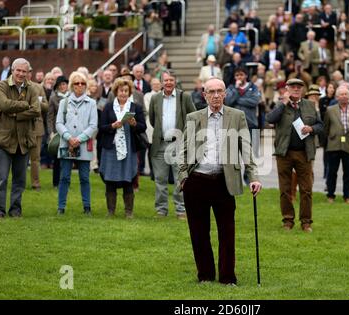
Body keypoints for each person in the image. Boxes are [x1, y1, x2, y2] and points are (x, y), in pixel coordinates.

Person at [178, 77, 262, 285]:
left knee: (227, 232)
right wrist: (183, 178)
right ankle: (205, 275)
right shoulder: (193, 117)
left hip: (224, 181)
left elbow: (247, 148)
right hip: (196, 181)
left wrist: (253, 177)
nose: (216, 95)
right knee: (198, 232)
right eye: (211, 92)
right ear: (204, 95)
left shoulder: (237, 116)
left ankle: (227, 277)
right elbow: (183, 151)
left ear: (225, 94)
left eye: (220, 91)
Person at [266, 78, 322, 231]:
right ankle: (288, 220)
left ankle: (306, 222)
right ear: (287, 88)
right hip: (284, 153)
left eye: (299, 87)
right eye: (293, 87)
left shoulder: (310, 105)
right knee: (285, 189)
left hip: (304, 153)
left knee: (306, 189)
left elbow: (321, 125)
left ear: (303, 90)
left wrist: (311, 129)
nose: (296, 89)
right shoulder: (280, 105)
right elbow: (269, 119)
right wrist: (283, 104)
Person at [0, 58, 41, 219]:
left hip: (24, 140)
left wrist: (15, 112)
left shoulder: (32, 88)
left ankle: (15, 210)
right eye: (18, 70)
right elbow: (4, 105)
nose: (21, 74)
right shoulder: (0, 86)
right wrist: (25, 106)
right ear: (12, 71)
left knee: (19, 180)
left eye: (24, 71)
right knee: (1, 179)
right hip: (3, 140)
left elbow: (37, 110)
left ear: (28, 73)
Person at [149, 71, 196, 219]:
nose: (168, 83)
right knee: (160, 179)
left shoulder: (184, 97)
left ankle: (181, 209)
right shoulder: (155, 98)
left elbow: (193, 117)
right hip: (160, 144)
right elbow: (152, 119)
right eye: (165, 80)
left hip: (178, 144)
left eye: (171, 80)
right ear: (161, 82)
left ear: (175, 81)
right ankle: (161, 210)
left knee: (180, 178)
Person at [99, 78, 146, 218]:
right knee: (110, 179)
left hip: (128, 148)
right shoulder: (108, 107)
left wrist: (134, 124)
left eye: (126, 91)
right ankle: (110, 211)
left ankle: (128, 212)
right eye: (121, 91)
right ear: (116, 91)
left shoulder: (135, 107)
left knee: (128, 179)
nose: (123, 93)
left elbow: (143, 127)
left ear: (129, 92)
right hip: (110, 149)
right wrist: (112, 126)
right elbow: (101, 127)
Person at [55, 71, 98, 215]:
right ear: (72, 85)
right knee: (65, 177)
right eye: (77, 83)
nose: (80, 85)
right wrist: (69, 137)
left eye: (83, 83)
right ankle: (61, 207)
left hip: (84, 144)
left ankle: (87, 207)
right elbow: (59, 123)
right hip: (67, 143)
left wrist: (79, 139)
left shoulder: (92, 103)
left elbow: (93, 125)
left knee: (84, 178)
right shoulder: (63, 102)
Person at [324, 85, 349, 204]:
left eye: (346, 94)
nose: (344, 96)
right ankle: (330, 195)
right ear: (337, 96)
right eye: (341, 94)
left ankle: (348, 196)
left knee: (348, 173)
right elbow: (326, 128)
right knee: (332, 172)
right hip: (334, 144)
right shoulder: (330, 110)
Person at [27, 67, 49, 191]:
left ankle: (35, 184)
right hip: (20, 126)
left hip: (37, 126)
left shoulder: (39, 87)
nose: (27, 74)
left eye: (30, 71)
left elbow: (46, 106)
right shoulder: (16, 87)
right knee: (19, 157)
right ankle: (17, 182)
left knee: (35, 158)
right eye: (25, 71)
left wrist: (37, 103)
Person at [47, 76, 70, 188]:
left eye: (64, 84)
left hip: (70, 131)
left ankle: (65, 182)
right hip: (57, 131)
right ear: (57, 87)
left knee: (68, 158)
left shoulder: (72, 97)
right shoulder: (53, 98)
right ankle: (56, 183)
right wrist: (51, 132)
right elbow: (50, 117)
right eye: (60, 85)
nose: (62, 86)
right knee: (57, 159)